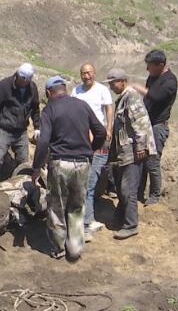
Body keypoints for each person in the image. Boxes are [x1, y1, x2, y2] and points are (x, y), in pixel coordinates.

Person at [32, 76, 106, 261]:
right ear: (64, 89)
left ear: (49, 93)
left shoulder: (49, 109)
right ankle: (75, 248)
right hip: (82, 163)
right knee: (76, 206)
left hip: (60, 163)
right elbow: (101, 131)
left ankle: (59, 248)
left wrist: (36, 167)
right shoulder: (82, 105)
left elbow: (43, 141)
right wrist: (90, 150)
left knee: (57, 207)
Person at [105, 68, 156, 240]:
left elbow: (140, 122)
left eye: (113, 83)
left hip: (133, 151)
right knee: (122, 187)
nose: (111, 86)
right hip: (125, 150)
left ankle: (131, 225)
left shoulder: (131, 96)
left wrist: (141, 146)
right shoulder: (124, 98)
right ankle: (121, 217)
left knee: (128, 189)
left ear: (123, 81)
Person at [71, 63, 114, 238]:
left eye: (89, 72)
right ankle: (86, 218)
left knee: (90, 180)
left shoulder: (102, 90)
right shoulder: (76, 91)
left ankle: (87, 219)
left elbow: (109, 109)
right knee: (82, 179)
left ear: (94, 73)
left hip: (99, 138)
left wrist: (109, 129)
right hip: (80, 140)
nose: (86, 75)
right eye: (83, 73)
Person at [130, 50, 178, 205]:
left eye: (150, 66)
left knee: (152, 161)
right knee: (141, 158)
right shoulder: (153, 77)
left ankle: (154, 195)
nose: (147, 69)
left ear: (161, 65)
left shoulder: (170, 81)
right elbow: (148, 100)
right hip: (146, 124)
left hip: (158, 126)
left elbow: (155, 97)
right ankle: (138, 191)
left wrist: (138, 88)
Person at [0, 63, 40, 186]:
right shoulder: (5, 86)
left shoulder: (32, 88)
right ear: (19, 75)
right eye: (23, 79)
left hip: (21, 131)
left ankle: (21, 188)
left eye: (28, 80)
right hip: (4, 129)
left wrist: (37, 127)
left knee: (23, 162)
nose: (25, 82)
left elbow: (35, 108)